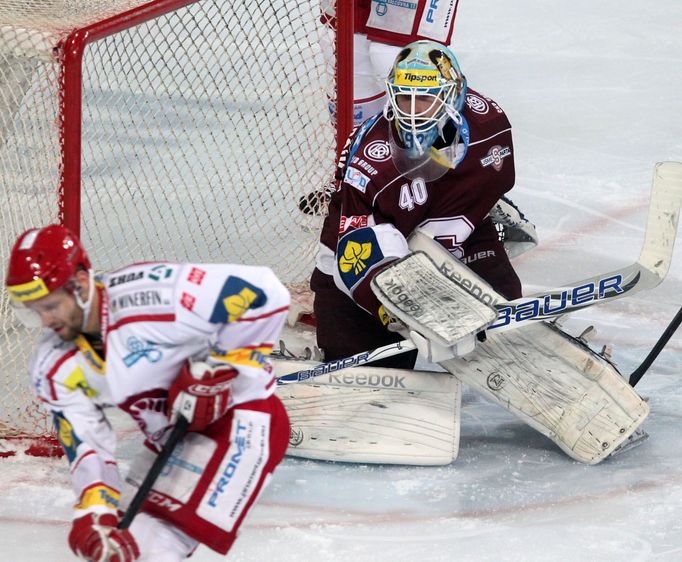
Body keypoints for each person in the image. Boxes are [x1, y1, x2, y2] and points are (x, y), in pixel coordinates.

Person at [5, 224, 291, 561]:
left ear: (80, 284)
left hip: (242, 420)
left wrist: (222, 367)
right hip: (172, 436)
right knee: (117, 543)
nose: (44, 321)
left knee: (151, 549)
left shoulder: (156, 294)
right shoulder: (54, 365)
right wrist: (94, 512)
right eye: (35, 310)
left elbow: (265, 292)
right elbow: (87, 444)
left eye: (50, 306)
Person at [311, 39, 524, 368]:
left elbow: (488, 181)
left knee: (509, 322)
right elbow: (355, 252)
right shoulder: (373, 163)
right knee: (377, 380)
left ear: (453, 97)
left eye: (423, 98)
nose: (410, 111)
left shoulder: (489, 126)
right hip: (358, 279)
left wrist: (484, 210)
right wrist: (402, 315)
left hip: (452, 247)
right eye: (403, 98)